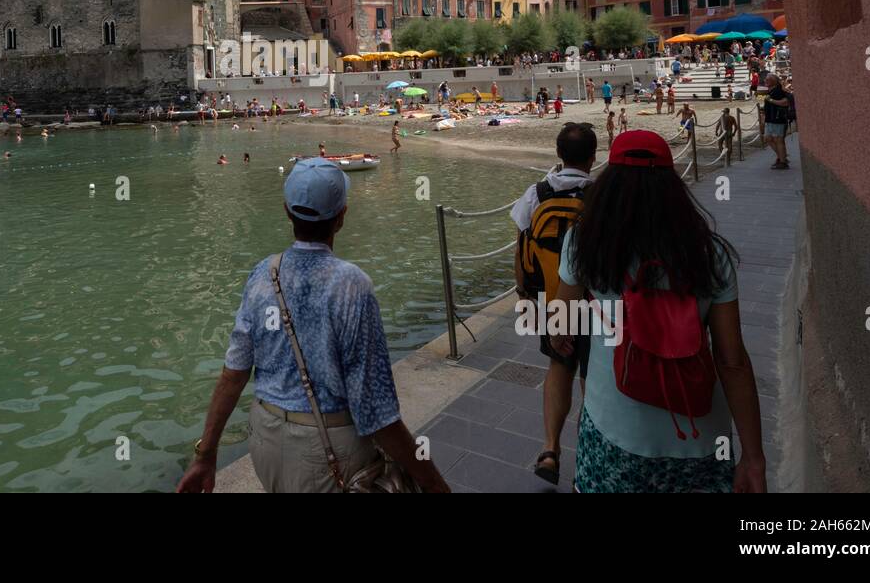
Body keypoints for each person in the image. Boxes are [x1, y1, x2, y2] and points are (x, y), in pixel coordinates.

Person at [177, 158, 449, 493]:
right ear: (341, 217)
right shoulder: (352, 285)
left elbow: (233, 374)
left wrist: (206, 454)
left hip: (265, 437)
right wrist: (433, 481)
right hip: (328, 449)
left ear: (287, 213)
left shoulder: (263, 273)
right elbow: (377, 412)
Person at [550, 130, 766, 492]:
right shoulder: (709, 254)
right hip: (700, 438)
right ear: (672, 186)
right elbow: (732, 360)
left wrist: (561, 336)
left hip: (614, 428)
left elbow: (561, 313)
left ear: (609, 184)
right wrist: (754, 456)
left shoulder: (584, 243)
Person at [511, 123, 596, 485]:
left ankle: (550, 450)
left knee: (558, 367)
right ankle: (592, 450)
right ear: (594, 157)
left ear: (559, 155)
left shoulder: (537, 193)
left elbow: (520, 245)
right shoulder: (600, 195)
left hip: (549, 298)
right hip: (596, 302)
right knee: (592, 376)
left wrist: (523, 292)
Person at [762, 74, 791, 169]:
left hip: (777, 119)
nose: (765, 81)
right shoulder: (772, 90)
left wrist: (770, 100)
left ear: (773, 81)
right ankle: (782, 157)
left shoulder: (779, 91)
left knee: (778, 140)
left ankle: (782, 161)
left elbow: (785, 102)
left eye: (767, 79)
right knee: (768, 138)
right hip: (771, 119)